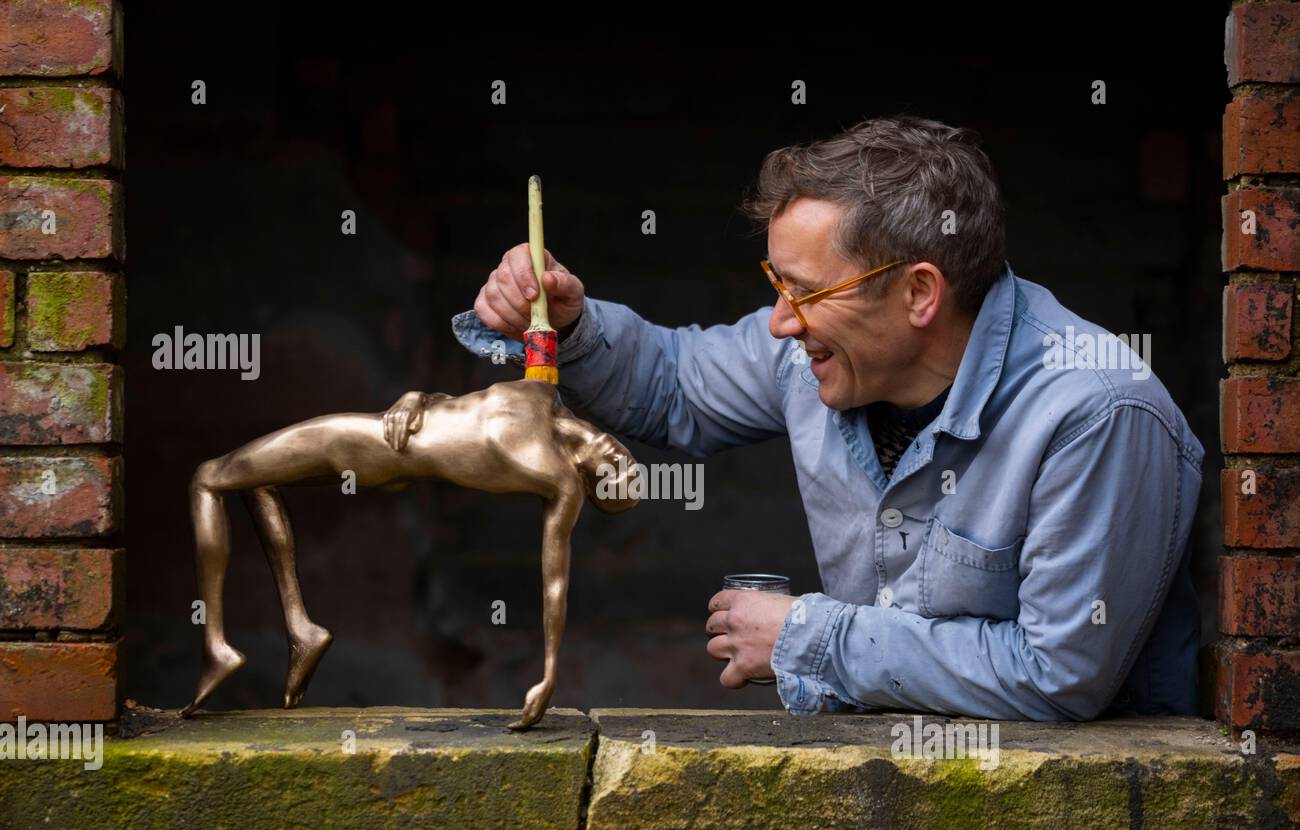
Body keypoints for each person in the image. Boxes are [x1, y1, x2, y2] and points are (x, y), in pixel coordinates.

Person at [385, 116, 1205, 722]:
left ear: (920, 292)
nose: (780, 322)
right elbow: (672, 385)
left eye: (805, 291)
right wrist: (566, 321)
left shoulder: (1095, 411)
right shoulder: (810, 355)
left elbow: (1058, 674)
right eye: (774, 284)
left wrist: (808, 636)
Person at [182, 379, 638, 730]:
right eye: (628, 461)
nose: (618, 455)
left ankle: (217, 646)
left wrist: (549, 674)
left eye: (613, 473)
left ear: (588, 479)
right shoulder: (545, 393)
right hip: (390, 429)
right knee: (255, 481)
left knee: (209, 477)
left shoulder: (555, 476)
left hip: (371, 447)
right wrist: (417, 397)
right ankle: (301, 628)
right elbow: (462, 405)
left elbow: (555, 579)